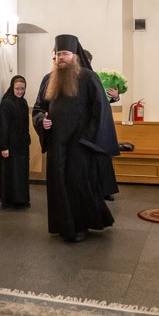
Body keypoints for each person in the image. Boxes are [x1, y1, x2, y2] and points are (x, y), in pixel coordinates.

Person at [32, 34, 118, 242]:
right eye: (58, 54)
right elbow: (39, 108)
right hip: (56, 143)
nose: (60, 58)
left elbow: (101, 111)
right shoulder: (48, 79)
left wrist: (87, 139)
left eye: (65, 54)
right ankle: (62, 225)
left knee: (77, 185)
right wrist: (42, 121)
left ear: (75, 56)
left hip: (80, 144)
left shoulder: (88, 77)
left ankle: (79, 226)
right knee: (58, 185)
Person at [81, 49, 120, 202]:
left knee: (103, 157)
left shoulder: (96, 77)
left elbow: (103, 99)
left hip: (101, 122)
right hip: (86, 123)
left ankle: (106, 190)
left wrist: (115, 97)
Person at [0, 75, 31, 208]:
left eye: (22, 88)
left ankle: (22, 199)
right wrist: (4, 146)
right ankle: (11, 201)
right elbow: (3, 126)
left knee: (22, 173)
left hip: (22, 145)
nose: (20, 91)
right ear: (12, 88)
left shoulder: (24, 102)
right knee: (12, 173)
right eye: (17, 88)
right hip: (11, 146)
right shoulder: (7, 103)